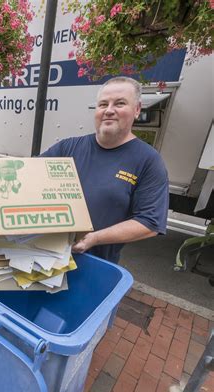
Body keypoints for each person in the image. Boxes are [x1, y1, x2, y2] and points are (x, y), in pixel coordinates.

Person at [40, 76, 169, 263]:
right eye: (102, 104)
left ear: (137, 110)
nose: (109, 110)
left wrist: (94, 238)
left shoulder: (148, 160)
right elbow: (29, 176)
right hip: (44, 253)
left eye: (120, 103)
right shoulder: (68, 148)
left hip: (94, 264)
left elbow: (149, 222)